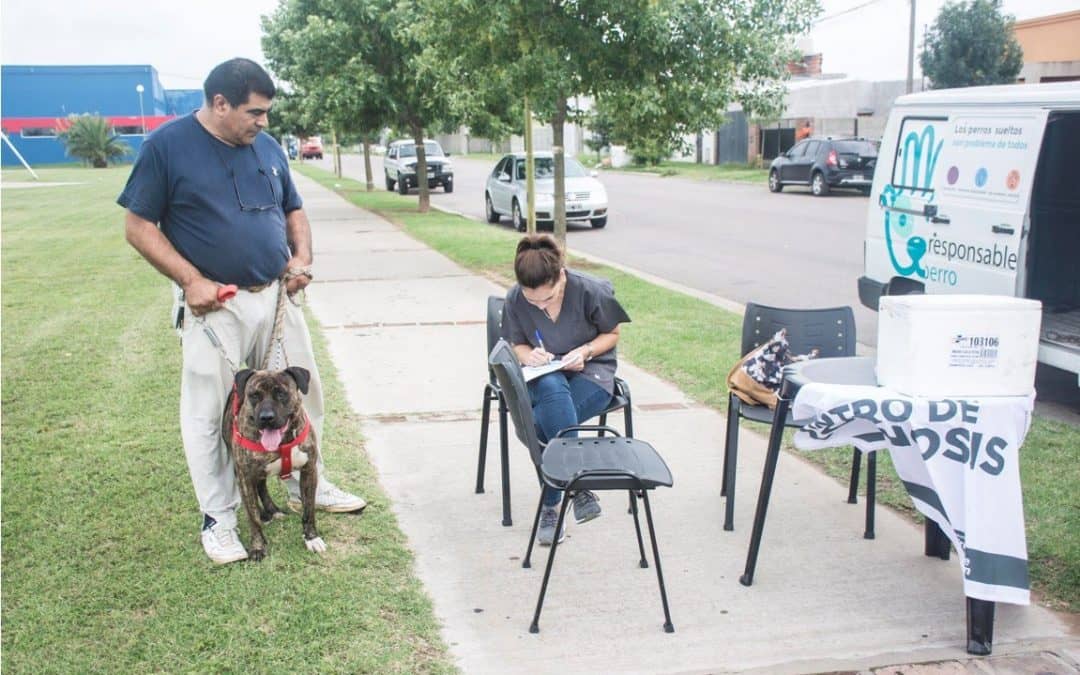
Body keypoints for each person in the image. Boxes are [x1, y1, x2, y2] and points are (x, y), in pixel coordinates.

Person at [118, 58, 366, 565]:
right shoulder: (166, 147)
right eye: (255, 112)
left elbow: (294, 209)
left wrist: (302, 259)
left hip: (277, 297)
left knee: (302, 390)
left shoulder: (267, 148)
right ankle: (219, 517)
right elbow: (138, 226)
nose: (264, 122)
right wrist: (190, 280)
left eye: (267, 112)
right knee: (211, 412)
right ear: (219, 103)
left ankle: (304, 483)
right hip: (217, 308)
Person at [501, 234, 631, 545]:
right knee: (550, 382)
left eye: (547, 299)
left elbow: (612, 334)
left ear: (561, 276)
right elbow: (516, 343)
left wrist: (585, 351)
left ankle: (552, 506)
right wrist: (527, 355)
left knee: (536, 425)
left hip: (592, 374)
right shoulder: (515, 299)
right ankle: (577, 483)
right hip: (543, 374)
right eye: (533, 301)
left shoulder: (591, 290)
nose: (540, 306)